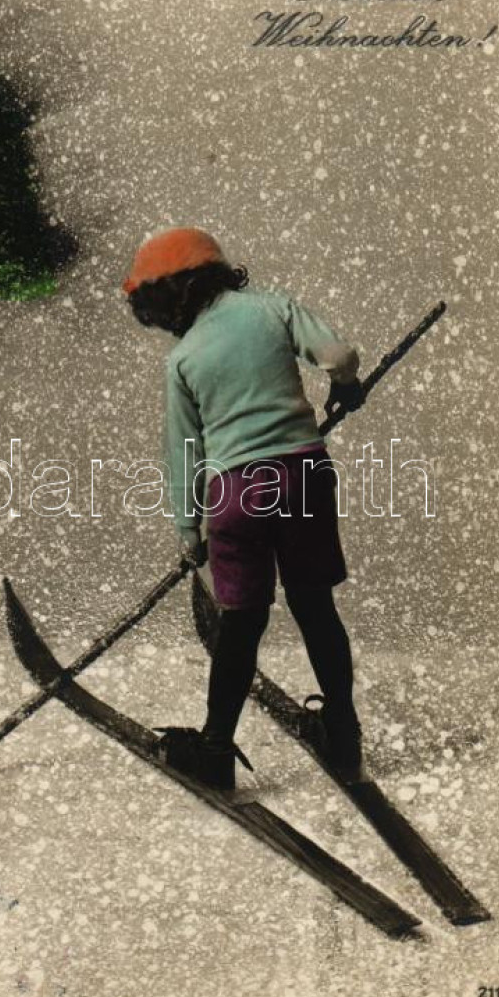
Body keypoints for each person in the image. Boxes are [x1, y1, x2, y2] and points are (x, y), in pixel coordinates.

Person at [123, 226, 365, 790]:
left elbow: (186, 454)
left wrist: (190, 530)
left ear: (172, 295)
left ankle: (214, 752)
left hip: (236, 494)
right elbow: (339, 355)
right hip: (303, 476)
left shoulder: (182, 360)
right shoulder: (271, 309)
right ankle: (345, 736)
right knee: (315, 608)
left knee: (241, 624)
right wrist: (344, 385)